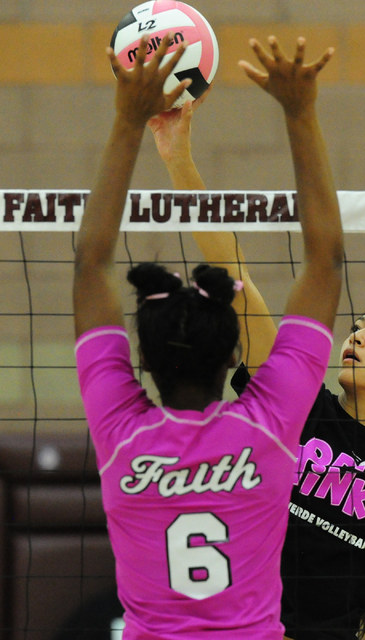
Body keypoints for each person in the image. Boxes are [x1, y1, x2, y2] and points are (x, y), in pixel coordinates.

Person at [151, 46, 365, 640]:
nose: (358, 335)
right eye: (360, 325)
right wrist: (176, 156)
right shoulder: (296, 406)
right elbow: (234, 274)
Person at [73, 32, 343, 639]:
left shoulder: (121, 435)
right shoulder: (269, 426)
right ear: (235, 356)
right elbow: (326, 261)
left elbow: (90, 265)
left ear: (140, 357)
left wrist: (125, 122)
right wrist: (301, 113)